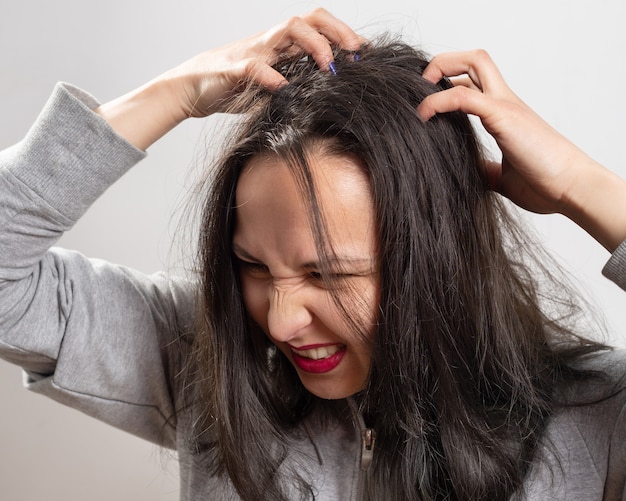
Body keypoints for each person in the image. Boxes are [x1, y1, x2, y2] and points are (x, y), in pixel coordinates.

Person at [1, 8, 625, 500]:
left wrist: (582, 186)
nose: (279, 321)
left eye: (328, 273)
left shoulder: (600, 419)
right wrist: (175, 93)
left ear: (440, 257)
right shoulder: (209, 360)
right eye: (253, 266)